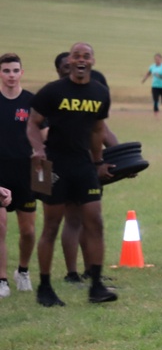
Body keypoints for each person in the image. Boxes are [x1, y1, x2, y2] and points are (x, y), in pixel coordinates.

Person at [27, 42, 117, 306]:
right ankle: (45, 288)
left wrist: (100, 161)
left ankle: (97, 286)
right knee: (51, 226)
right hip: (52, 165)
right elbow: (32, 123)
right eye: (76, 56)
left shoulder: (100, 93)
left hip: (84, 166)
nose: (81, 60)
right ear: (69, 61)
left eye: (86, 56)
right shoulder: (52, 91)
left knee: (95, 221)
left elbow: (98, 130)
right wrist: (38, 149)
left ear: (92, 61)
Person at [52, 52, 118, 284]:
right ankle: (71, 273)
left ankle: (91, 270)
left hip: (89, 169)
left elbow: (107, 136)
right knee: (72, 220)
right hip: (64, 166)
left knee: (91, 220)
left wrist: (123, 163)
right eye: (64, 67)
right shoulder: (56, 98)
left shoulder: (89, 103)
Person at [0, 53, 37, 296]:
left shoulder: (32, 102)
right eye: (6, 71)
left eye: (15, 70)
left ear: (22, 73)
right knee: (0, 227)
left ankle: (22, 271)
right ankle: (2, 280)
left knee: (28, 231)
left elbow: (43, 137)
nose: (11, 75)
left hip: (26, 174)